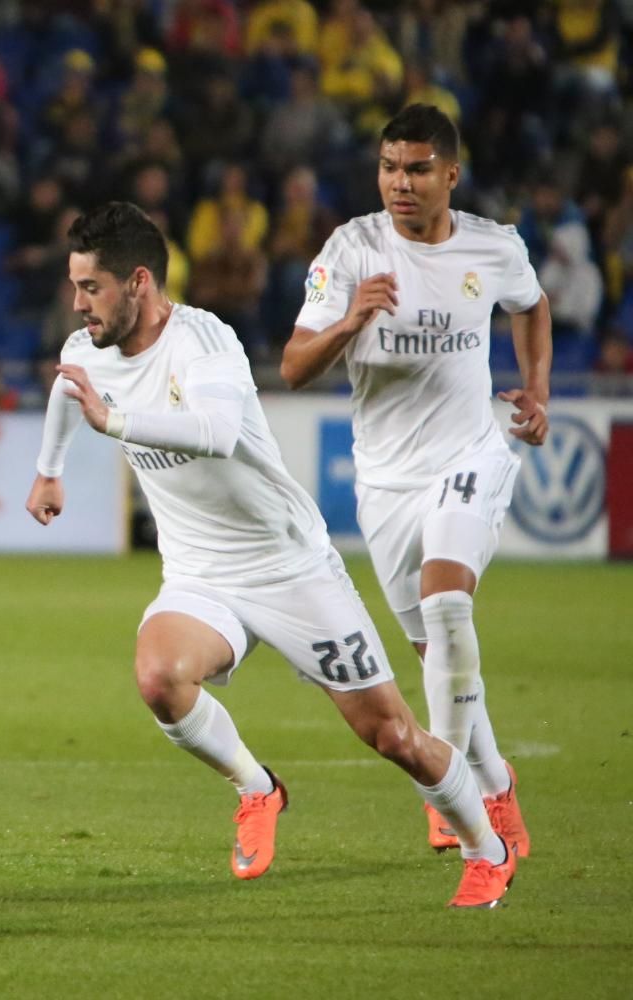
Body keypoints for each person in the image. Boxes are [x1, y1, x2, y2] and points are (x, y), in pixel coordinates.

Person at [28, 201, 515, 908]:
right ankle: (258, 789)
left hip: (290, 568)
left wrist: (117, 420)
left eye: (90, 288)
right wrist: (50, 469)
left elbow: (219, 430)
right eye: (75, 287)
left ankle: (487, 848)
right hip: (201, 573)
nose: (78, 305)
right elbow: (67, 391)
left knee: (392, 735)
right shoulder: (86, 350)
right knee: (159, 677)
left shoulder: (204, 340)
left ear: (138, 281)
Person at [280, 105, 547, 859]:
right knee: (434, 649)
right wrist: (348, 321)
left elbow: (531, 305)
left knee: (447, 601)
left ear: (450, 176)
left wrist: (538, 388)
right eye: (390, 167)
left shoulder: (494, 247)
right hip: (386, 481)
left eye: (418, 169)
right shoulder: (352, 251)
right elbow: (295, 368)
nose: (401, 183)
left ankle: (446, 784)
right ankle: (493, 785)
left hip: (471, 452)